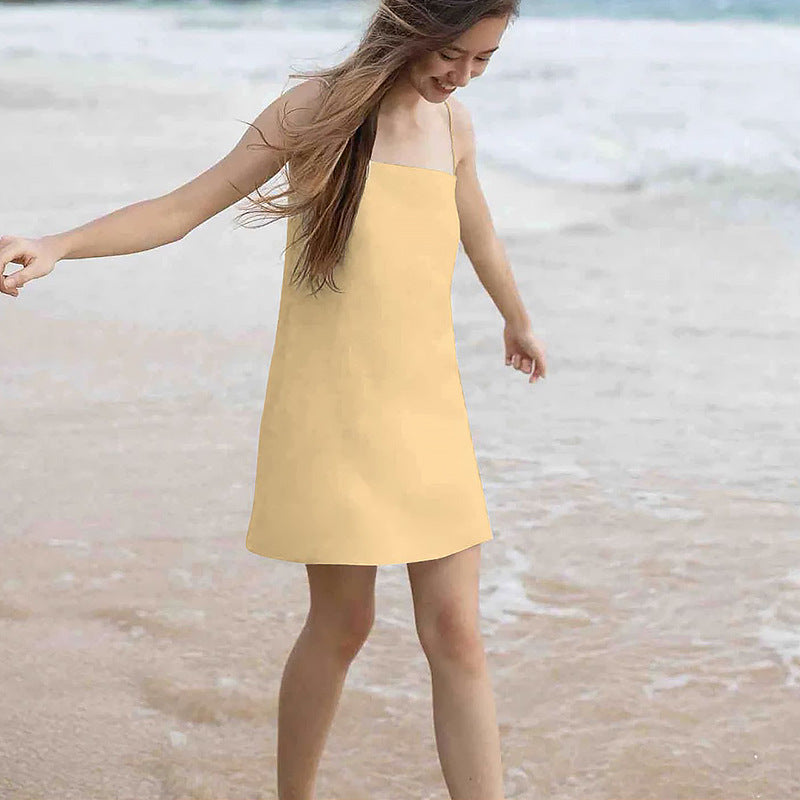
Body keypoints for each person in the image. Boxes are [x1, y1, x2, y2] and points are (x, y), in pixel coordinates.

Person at [1, 1, 546, 798]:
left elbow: (480, 232)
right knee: (343, 623)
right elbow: (183, 209)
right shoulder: (315, 110)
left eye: (484, 61)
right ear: (412, 28)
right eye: (452, 55)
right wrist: (59, 245)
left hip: (429, 411)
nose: (463, 76)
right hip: (333, 413)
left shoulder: (452, 126)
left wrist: (516, 318)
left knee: (457, 633)